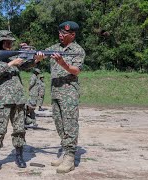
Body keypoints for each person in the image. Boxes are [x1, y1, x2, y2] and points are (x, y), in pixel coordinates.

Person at [35, 21, 85, 173]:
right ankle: (65, 151)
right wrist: (37, 56)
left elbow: (76, 70)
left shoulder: (78, 50)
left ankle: (70, 157)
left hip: (69, 93)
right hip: (56, 91)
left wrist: (63, 63)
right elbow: (40, 56)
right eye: (59, 33)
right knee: (59, 123)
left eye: (64, 34)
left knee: (70, 124)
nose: (60, 35)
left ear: (72, 35)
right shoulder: (55, 48)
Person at [0, 30, 28, 170]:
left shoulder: (15, 56)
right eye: (8, 42)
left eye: (11, 42)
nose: (11, 44)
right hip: (3, 99)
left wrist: (32, 54)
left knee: (19, 129)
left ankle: (19, 156)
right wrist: (12, 63)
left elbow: (28, 65)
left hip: (18, 99)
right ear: (1, 43)